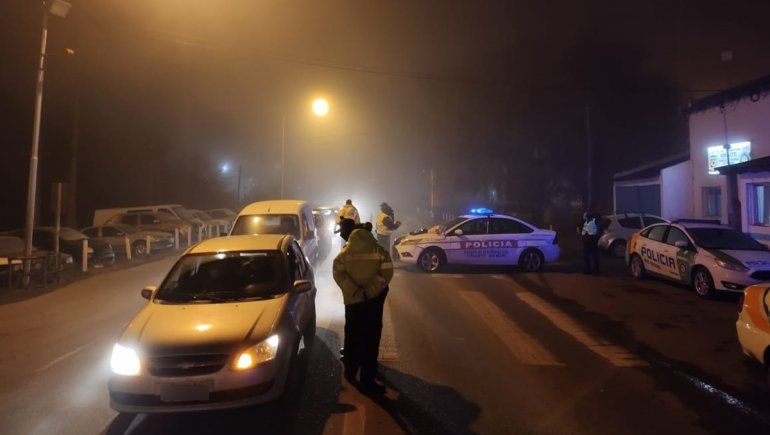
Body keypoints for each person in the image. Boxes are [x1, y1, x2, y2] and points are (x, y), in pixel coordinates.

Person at [333, 220, 393, 395]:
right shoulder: (379, 251)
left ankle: (350, 372)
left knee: (352, 334)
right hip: (374, 302)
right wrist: (371, 291)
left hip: (353, 302)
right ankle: (367, 380)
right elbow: (387, 272)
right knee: (371, 339)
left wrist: (355, 292)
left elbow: (338, 272)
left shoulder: (345, 253)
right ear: (369, 234)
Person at [579, 204, 602, 275]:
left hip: (592, 239)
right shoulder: (586, 218)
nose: (587, 212)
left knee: (594, 256)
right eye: (587, 210)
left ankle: (595, 271)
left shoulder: (596, 217)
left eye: (589, 210)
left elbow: (598, 229)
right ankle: (587, 270)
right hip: (586, 239)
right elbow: (582, 225)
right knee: (585, 256)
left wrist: (596, 238)